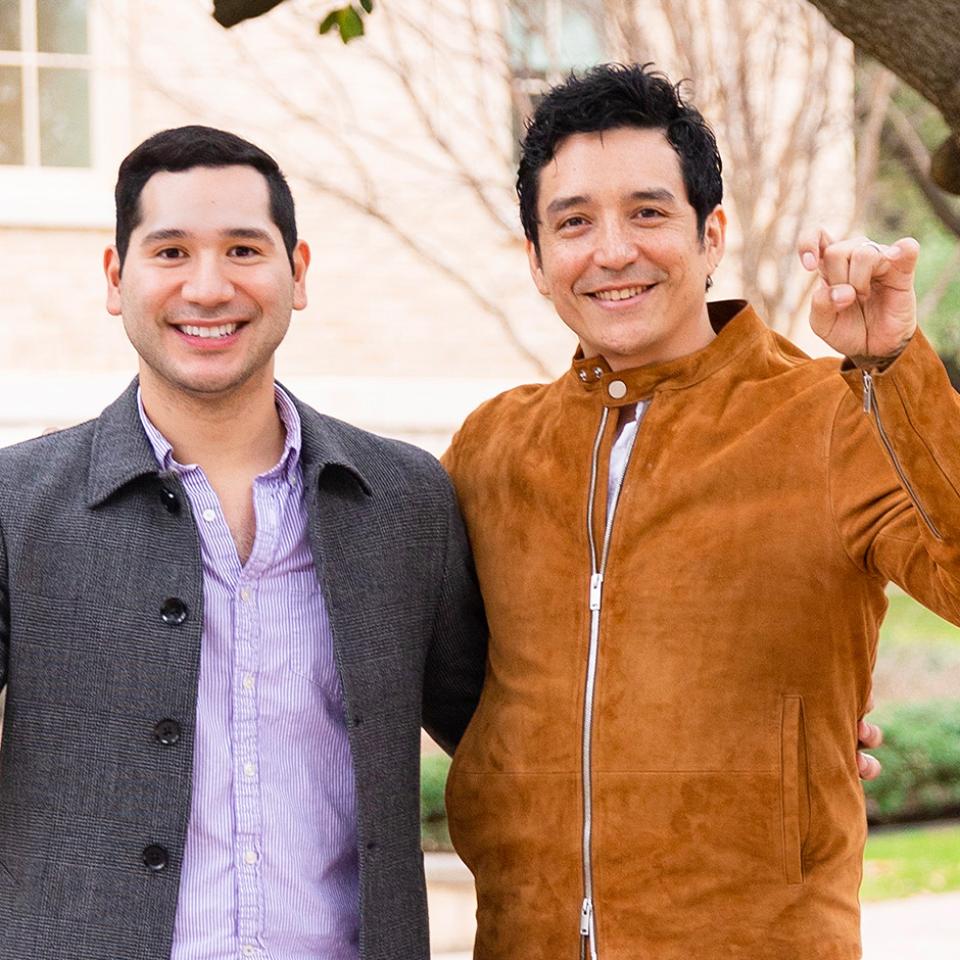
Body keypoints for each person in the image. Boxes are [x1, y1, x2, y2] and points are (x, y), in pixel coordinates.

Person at [441, 64, 957, 959]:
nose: (611, 251)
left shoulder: (833, 413)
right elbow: (443, 674)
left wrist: (894, 368)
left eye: (648, 213)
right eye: (573, 223)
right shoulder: (491, 447)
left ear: (710, 234)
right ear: (535, 261)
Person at [0, 126, 486, 960]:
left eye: (243, 249)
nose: (209, 285)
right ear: (117, 280)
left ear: (297, 274)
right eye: (172, 251)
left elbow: (513, 744)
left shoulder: (406, 502)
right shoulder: (17, 506)